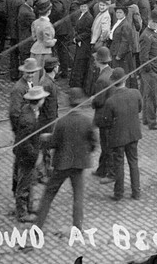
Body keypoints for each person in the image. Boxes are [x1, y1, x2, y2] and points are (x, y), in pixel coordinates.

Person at [33, 87, 97, 231]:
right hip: (79, 165)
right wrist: (84, 153)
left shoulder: (62, 122)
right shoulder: (87, 121)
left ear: (69, 103)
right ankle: (77, 228)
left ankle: (37, 227)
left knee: (48, 195)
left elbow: (54, 143)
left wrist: (47, 138)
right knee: (78, 197)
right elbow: (94, 143)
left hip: (61, 164)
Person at [11, 84, 49, 222]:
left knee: (28, 182)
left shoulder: (28, 110)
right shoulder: (29, 119)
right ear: (39, 101)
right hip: (26, 157)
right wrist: (36, 156)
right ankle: (22, 213)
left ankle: (29, 206)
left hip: (25, 154)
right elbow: (25, 142)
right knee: (24, 184)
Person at [104, 68, 143, 201]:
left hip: (118, 137)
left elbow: (107, 121)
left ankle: (118, 193)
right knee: (133, 162)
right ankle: (136, 192)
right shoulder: (136, 93)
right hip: (133, 133)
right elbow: (139, 109)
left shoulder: (111, 101)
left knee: (119, 164)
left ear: (113, 83)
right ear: (125, 79)